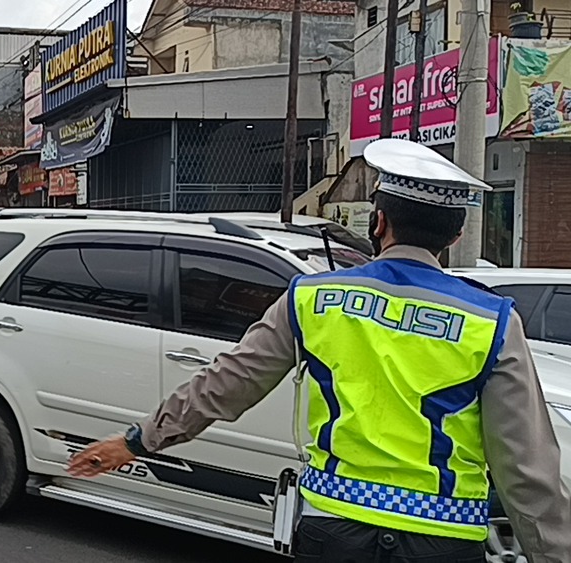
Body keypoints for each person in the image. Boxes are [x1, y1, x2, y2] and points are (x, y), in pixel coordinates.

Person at [68, 139, 571, 562]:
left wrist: (137, 441)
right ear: (456, 234)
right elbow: (527, 469)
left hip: (334, 531)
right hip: (441, 541)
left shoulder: (313, 299)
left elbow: (226, 384)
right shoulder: (493, 322)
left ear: (378, 223)